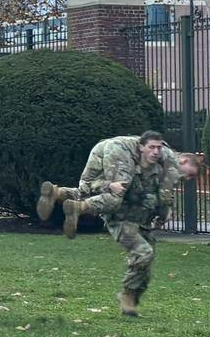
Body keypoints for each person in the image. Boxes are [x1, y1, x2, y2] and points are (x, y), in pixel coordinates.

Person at [37, 131, 196, 316]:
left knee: (89, 188)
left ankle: (57, 193)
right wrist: (165, 210)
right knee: (119, 197)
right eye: (190, 175)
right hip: (122, 220)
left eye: (157, 148)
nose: (188, 180)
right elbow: (164, 195)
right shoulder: (166, 163)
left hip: (104, 152)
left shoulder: (152, 168)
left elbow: (155, 193)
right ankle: (79, 208)